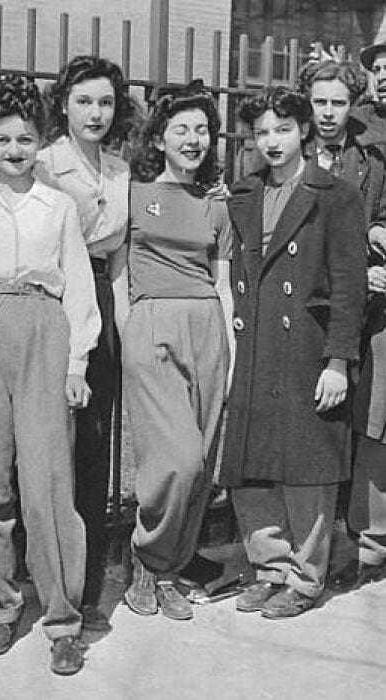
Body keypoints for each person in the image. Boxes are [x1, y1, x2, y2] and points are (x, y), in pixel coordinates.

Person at [0, 74, 100, 675]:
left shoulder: (59, 206)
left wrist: (77, 363)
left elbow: (80, 287)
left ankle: (63, 620)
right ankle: (0, 604)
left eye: (24, 139)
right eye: (2, 139)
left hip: (45, 328)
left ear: (40, 141)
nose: (14, 150)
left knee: (48, 481)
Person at [222, 86, 366, 619]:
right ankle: (269, 567)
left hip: (307, 343)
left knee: (307, 460)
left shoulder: (335, 195)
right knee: (253, 459)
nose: (272, 141)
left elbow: (350, 287)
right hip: (256, 339)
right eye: (261, 132)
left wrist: (338, 361)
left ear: (304, 130)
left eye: (282, 129)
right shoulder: (245, 192)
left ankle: (306, 578)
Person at [121, 81, 234, 621]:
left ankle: (168, 570)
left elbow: (224, 284)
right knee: (178, 460)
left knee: (202, 463)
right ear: (159, 138)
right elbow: (117, 271)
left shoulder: (217, 205)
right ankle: (147, 554)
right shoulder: (132, 195)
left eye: (203, 130)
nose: (193, 139)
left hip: (208, 326)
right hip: (152, 326)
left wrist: (230, 352)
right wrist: (129, 332)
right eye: (181, 129)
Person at [34, 56, 131, 630]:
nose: (96, 113)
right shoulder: (43, 163)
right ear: (64, 105)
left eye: (106, 102)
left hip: (103, 303)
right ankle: (45, 580)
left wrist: (123, 327)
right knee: (51, 448)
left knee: (93, 448)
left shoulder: (119, 171)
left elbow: (118, 258)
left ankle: (87, 586)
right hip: (55, 301)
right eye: (84, 101)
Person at [298, 58, 386, 589]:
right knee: (312, 421)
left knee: (367, 420)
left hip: (364, 305)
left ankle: (364, 543)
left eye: (339, 103)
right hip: (304, 304)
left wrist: (377, 254)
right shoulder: (289, 148)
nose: (328, 113)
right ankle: (311, 538)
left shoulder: (371, 157)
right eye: (320, 102)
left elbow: (380, 217)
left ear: (353, 106)